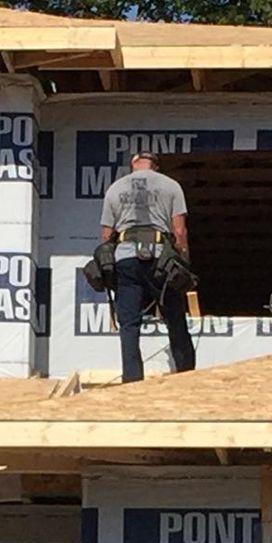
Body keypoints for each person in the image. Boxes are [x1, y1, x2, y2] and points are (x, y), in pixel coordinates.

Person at [98, 150, 196, 383]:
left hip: (126, 258)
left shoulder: (115, 188)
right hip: (161, 258)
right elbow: (179, 231)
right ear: (156, 166)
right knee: (175, 318)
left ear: (134, 166)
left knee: (129, 325)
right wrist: (183, 262)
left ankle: (132, 382)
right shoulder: (171, 186)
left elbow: (106, 235)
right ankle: (187, 376)